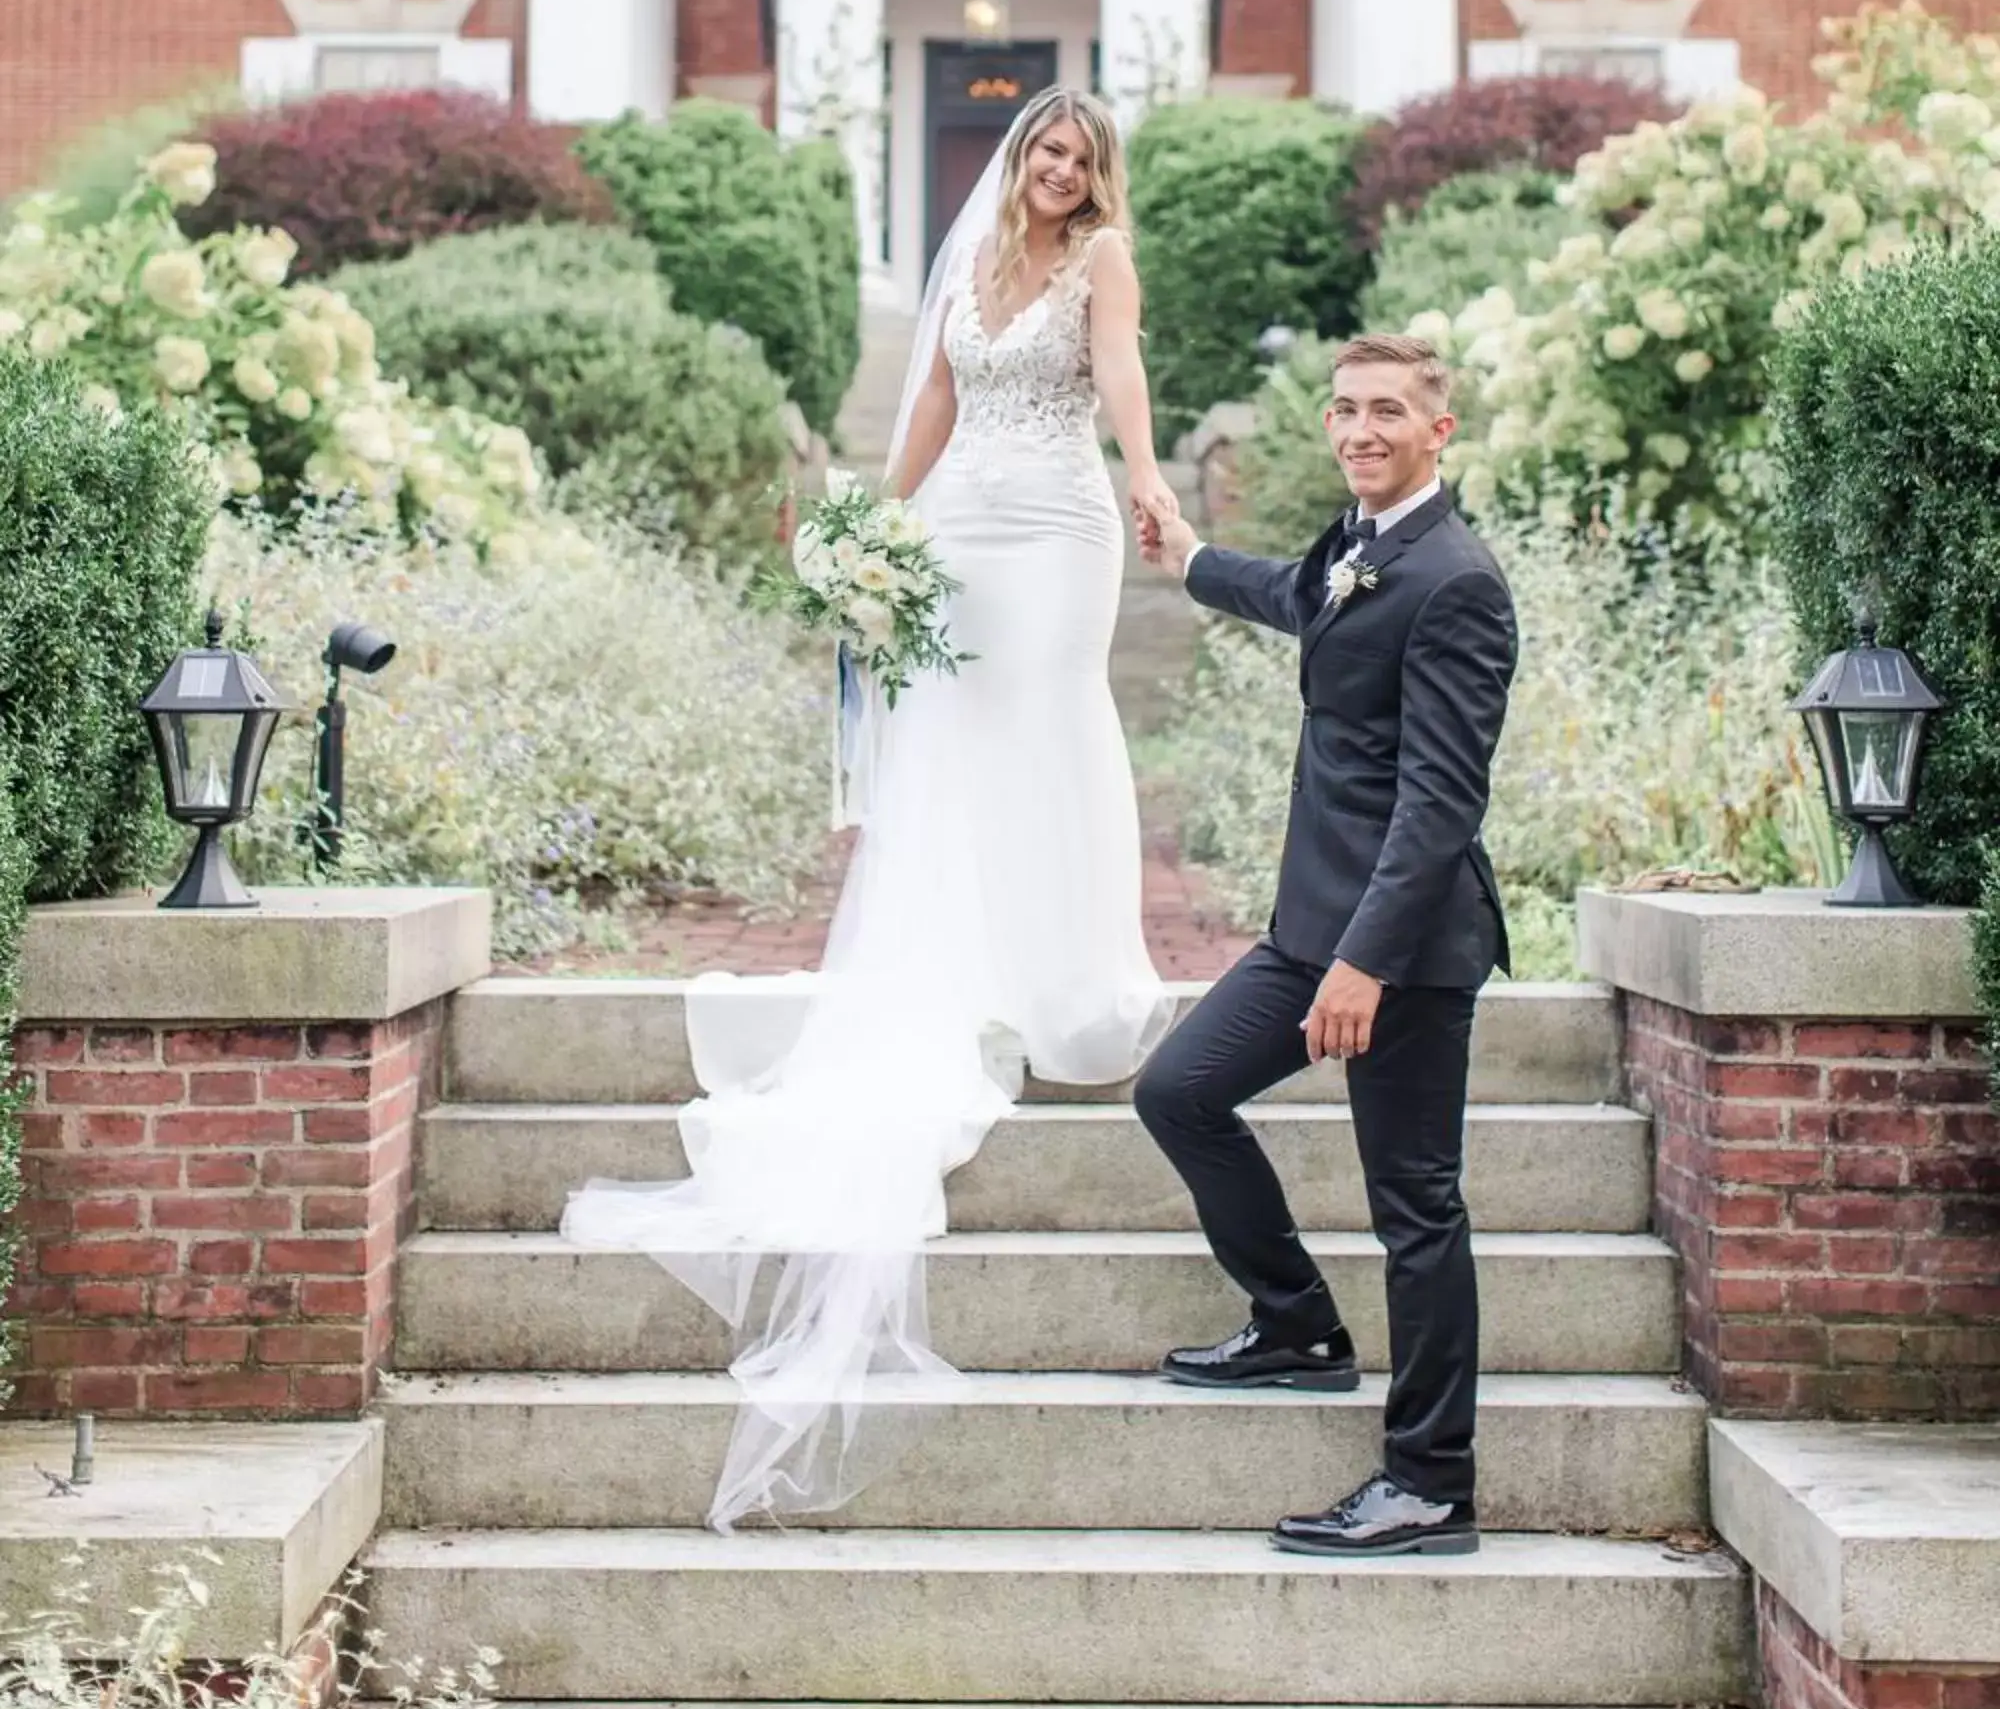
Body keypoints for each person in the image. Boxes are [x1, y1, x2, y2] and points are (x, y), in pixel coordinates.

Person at [561, 87, 1177, 1527]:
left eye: (1079, 158)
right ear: (1019, 162)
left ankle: (1069, 972)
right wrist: (874, 522)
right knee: (952, 740)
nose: (1058, 173)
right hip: (961, 525)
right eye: (1043, 152)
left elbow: (1125, 375)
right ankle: (963, 967)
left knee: (1052, 716)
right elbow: (946, 397)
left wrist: (1145, 478)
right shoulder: (971, 266)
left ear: (1097, 177)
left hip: (1061, 530)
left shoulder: (1102, 263)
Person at [1135, 334, 1516, 1560]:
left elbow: (1439, 805)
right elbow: (1302, 602)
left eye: (1386, 412)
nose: (1359, 430)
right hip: (1314, 927)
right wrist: (1189, 561)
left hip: (1397, 948)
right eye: (1344, 409)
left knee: (1415, 1210)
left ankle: (1427, 1483)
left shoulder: (1455, 580)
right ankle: (1295, 1324)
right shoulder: (1358, 547)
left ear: (1436, 431)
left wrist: (1363, 962)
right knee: (1177, 1091)